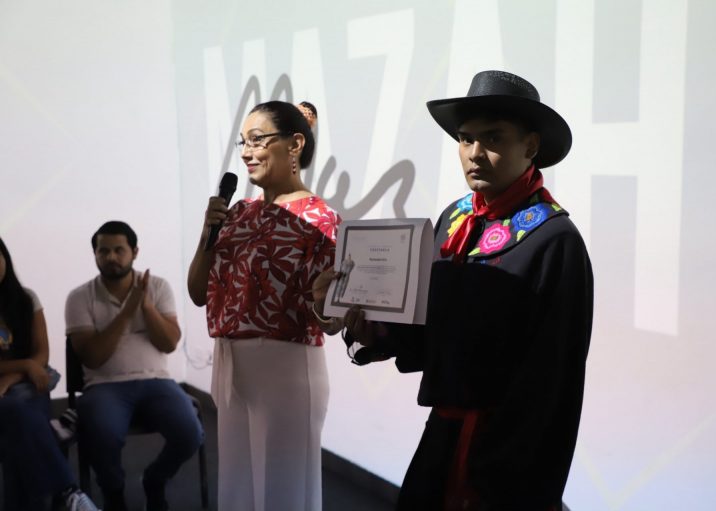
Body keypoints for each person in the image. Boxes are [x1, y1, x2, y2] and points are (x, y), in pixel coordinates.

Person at [315, 71, 594, 510]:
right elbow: (430, 333)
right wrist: (369, 325)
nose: (475, 153)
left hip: (506, 462)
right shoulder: (455, 220)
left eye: (493, 138)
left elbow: (550, 386)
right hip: (442, 439)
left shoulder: (556, 241)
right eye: (465, 139)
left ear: (531, 146)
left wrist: (497, 477)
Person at [187, 100, 341, 511]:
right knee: (237, 493)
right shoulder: (237, 212)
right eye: (243, 142)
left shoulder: (320, 218)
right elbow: (198, 293)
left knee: (281, 494)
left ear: (295, 144)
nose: (246, 152)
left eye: (257, 140)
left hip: (285, 366)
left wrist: (327, 305)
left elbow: (329, 317)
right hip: (229, 362)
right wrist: (207, 233)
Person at [65, 221, 203, 511]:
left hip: (158, 382)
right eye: (103, 251)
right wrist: (129, 310)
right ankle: (114, 493)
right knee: (101, 435)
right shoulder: (79, 297)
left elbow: (169, 343)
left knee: (190, 433)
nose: (111, 257)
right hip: (104, 386)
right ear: (95, 254)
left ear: (134, 252)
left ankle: (155, 479)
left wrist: (146, 306)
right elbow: (93, 357)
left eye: (119, 250)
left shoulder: (158, 287)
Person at [0, 237, 99, 511]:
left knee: (19, 423)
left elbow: (41, 354)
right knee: (19, 417)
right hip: (18, 393)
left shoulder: (26, 299)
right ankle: (69, 493)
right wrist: (24, 366)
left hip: (26, 387)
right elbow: (33, 364)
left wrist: (14, 375)